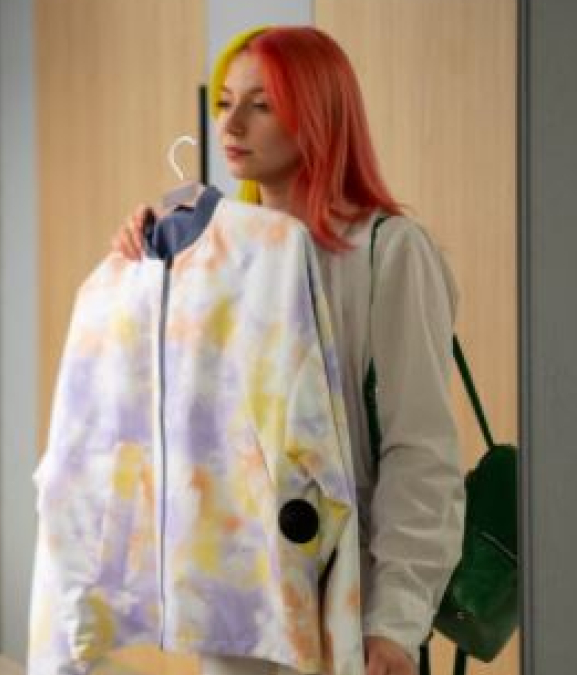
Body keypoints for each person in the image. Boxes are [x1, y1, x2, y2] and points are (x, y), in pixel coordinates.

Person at [110, 26, 465, 675]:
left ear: (318, 114)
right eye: (225, 102)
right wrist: (143, 267)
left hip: (352, 599)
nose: (231, 124)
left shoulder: (388, 252)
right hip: (238, 599)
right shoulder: (220, 255)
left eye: (262, 104)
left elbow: (420, 451)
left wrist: (395, 619)